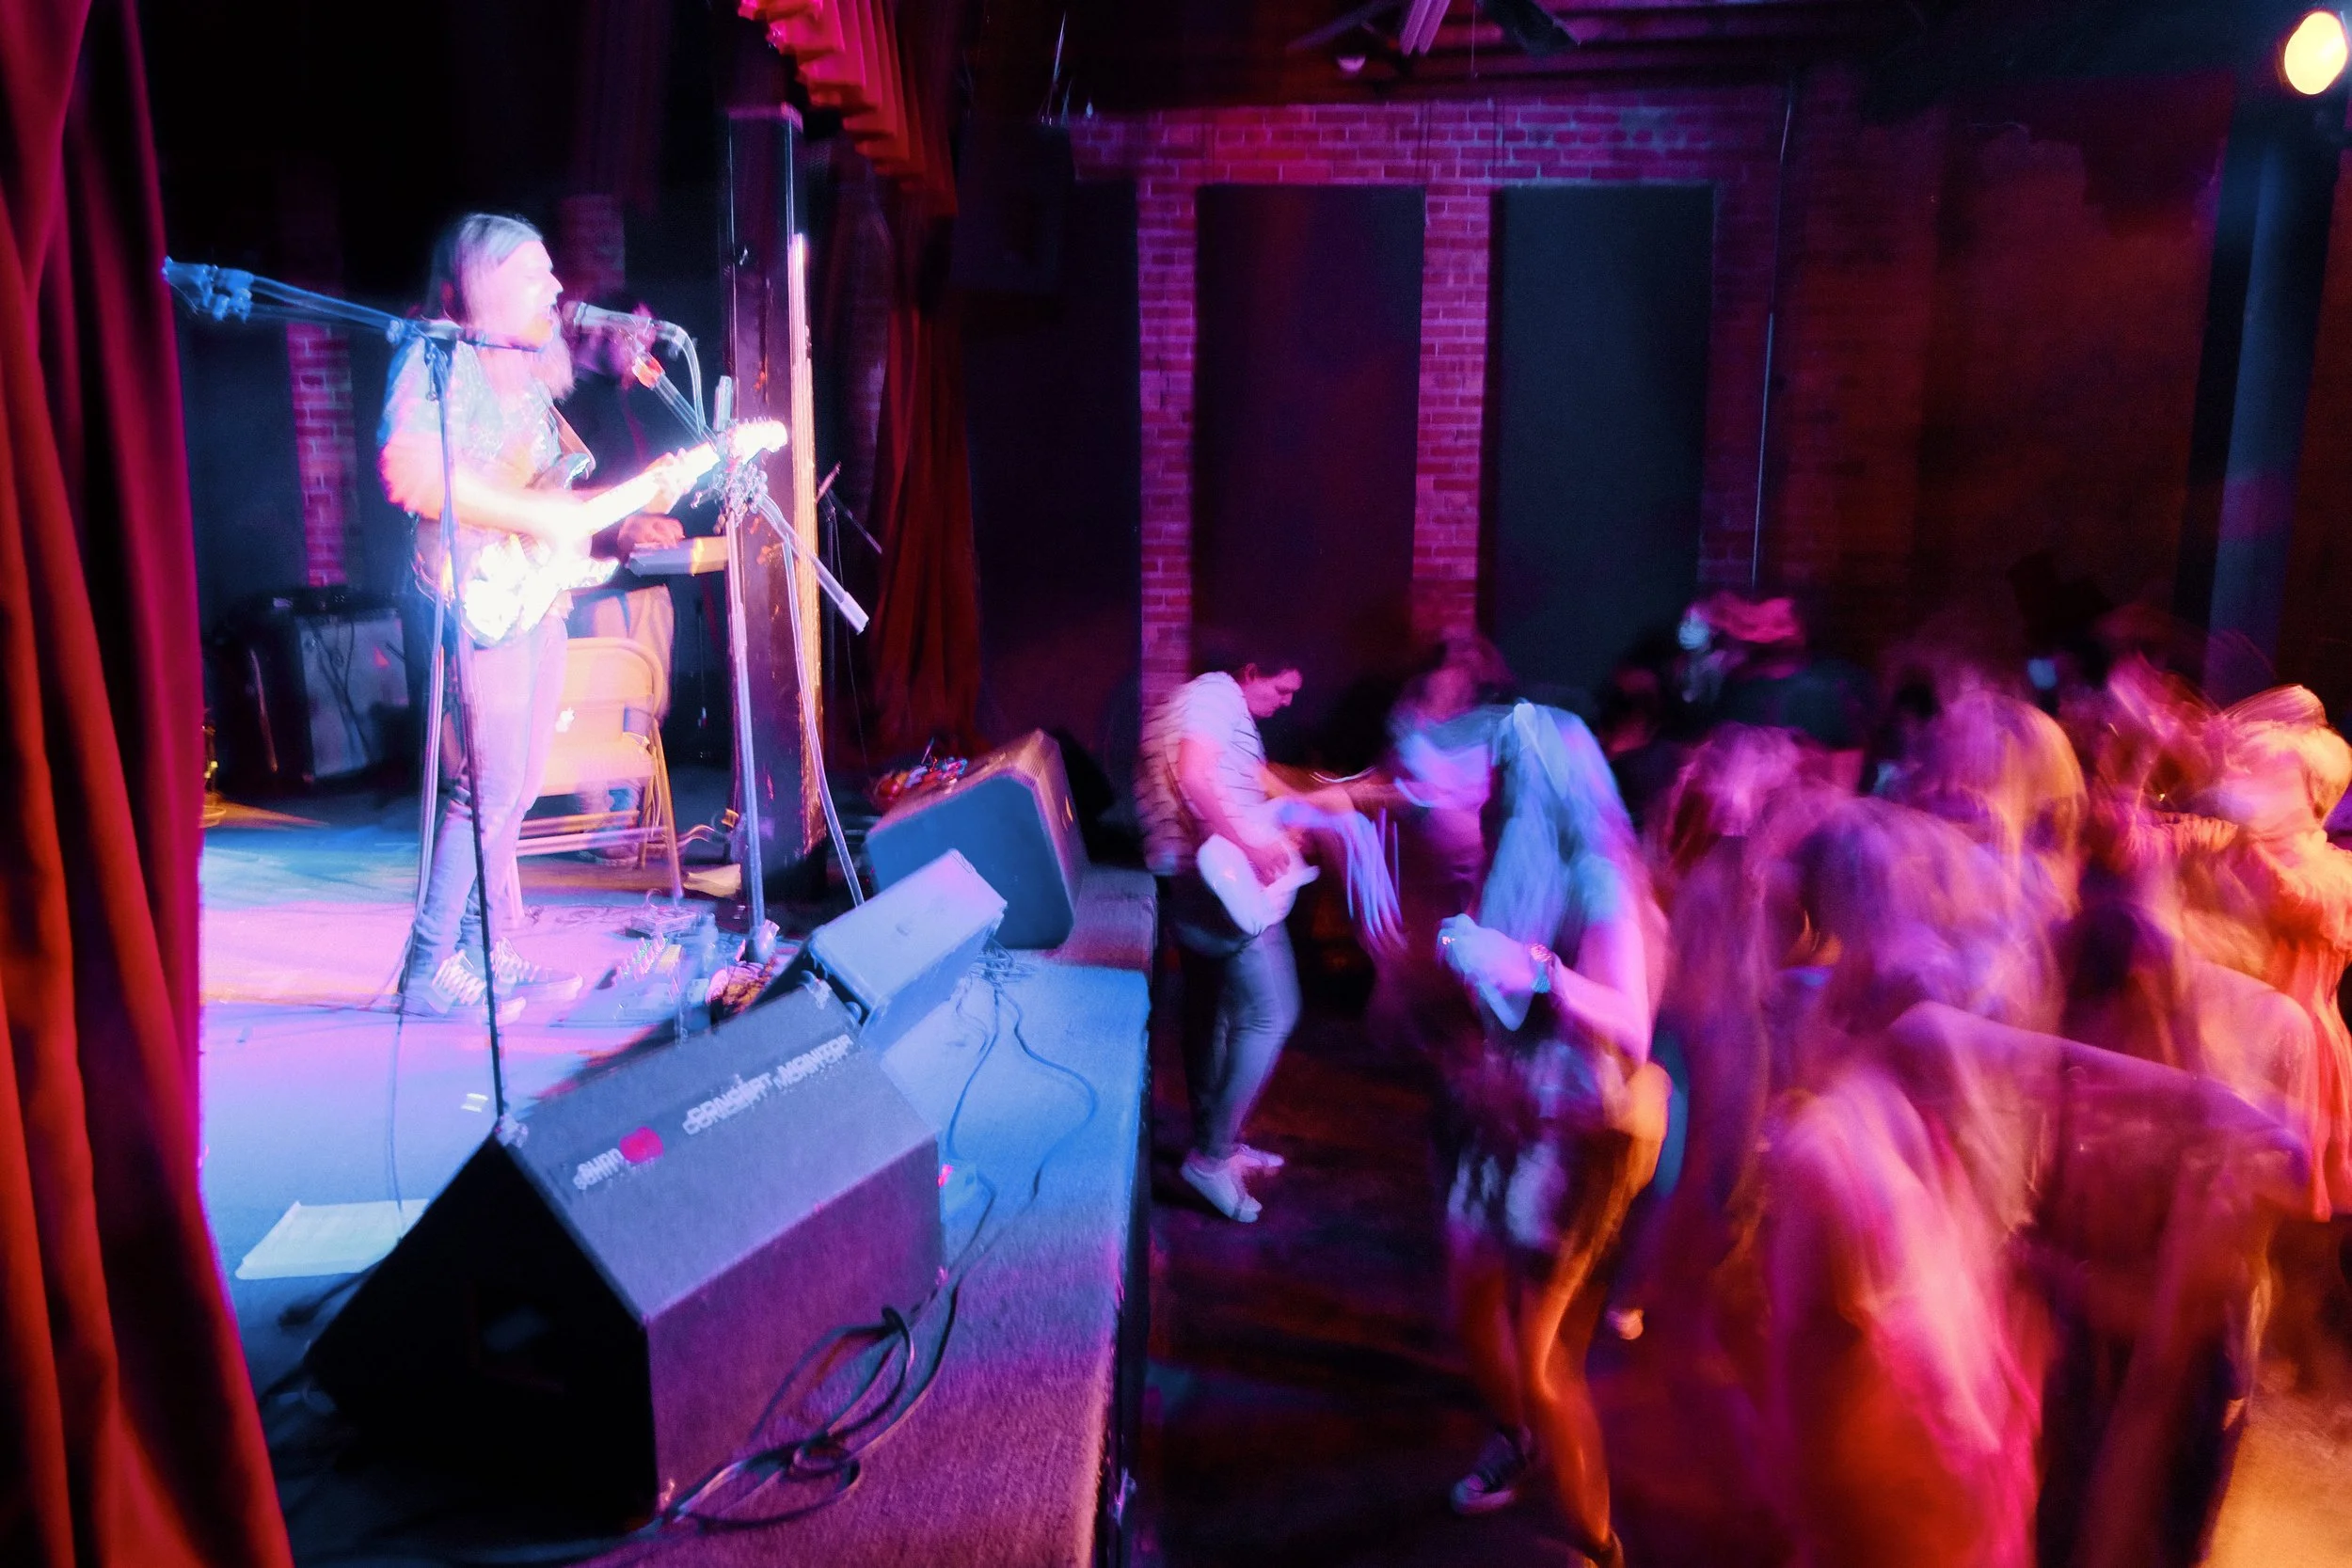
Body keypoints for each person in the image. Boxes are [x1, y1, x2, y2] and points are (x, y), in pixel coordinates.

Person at [380, 213, 688, 1018]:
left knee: (515, 789)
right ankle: (426, 967)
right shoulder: (438, 354)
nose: (557, 288)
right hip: (472, 591)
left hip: (532, 594)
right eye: (534, 273)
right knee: (482, 789)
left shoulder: (531, 375)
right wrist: (534, 515)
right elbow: (411, 471)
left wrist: (624, 511)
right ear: (484, 284)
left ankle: (484, 948)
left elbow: (555, 498)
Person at [1425, 703, 1666, 1562]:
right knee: (1468, 1291)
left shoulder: (1601, 876)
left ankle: (1597, 1540)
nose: (1498, 788)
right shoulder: (1520, 855)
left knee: (1541, 1351)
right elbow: (1504, 1002)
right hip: (1512, 1114)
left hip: (1577, 1131)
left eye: (1510, 774)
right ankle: (1515, 1440)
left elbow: (1630, 1027)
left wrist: (1536, 969)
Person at [1136, 637, 1355, 1223]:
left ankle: (1219, 1145)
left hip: (1191, 879)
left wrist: (1293, 815)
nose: (1286, 702)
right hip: (1220, 887)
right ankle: (1209, 1160)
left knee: (1212, 1016)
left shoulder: (1203, 703)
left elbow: (1238, 783)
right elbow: (1195, 776)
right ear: (1251, 671)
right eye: (1282, 689)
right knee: (1271, 1012)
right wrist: (1250, 847)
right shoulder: (1215, 695)